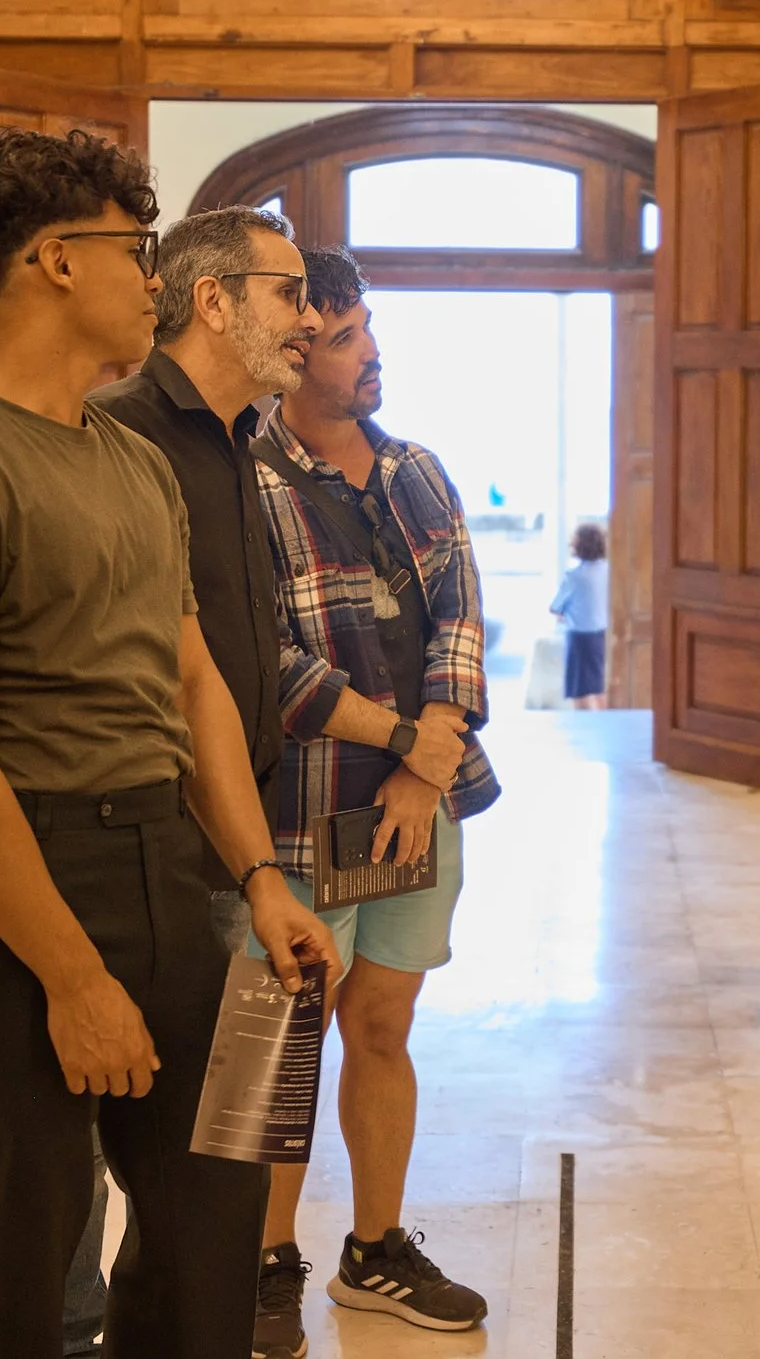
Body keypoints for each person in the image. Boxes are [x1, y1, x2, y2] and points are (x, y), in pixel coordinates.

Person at [0, 127, 336, 1359]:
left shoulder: (130, 459)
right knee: (31, 1232)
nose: (156, 281)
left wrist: (259, 875)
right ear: (54, 263)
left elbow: (192, 688)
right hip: (15, 879)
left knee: (207, 1213)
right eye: (135, 251)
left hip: (163, 862)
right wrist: (73, 980)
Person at [248, 244, 497, 1356]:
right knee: (289, 1040)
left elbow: (459, 612)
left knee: (383, 1024)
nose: (371, 354)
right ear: (290, 353)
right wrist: (401, 740)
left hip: (414, 806)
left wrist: (425, 758)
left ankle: (375, 1246)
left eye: (367, 331)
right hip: (303, 807)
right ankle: (264, 1262)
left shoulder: (415, 471)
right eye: (346, 338)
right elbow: (272, 664)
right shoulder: (239, 481)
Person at [80, 203, 320, 1350]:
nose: (311, 317)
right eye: (289, 290)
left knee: (210, 1187)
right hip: (145, 854)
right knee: (128, 1189)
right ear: (214, 298)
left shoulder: (243, 438)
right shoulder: (119, 431)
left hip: (239, 847)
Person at [551, 522, 612, 709]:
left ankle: (582, 725)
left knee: (579, 688)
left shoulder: (574, 576)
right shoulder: (609, 570)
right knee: (600, 685)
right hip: (603, 633)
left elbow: (555, 607)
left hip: (579, 636)